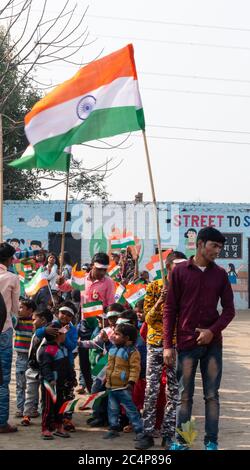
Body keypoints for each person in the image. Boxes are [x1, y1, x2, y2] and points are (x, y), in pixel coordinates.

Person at [163, 227, 235, 451]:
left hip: (212, 346)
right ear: (201, 244)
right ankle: (184, 441)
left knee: (211, 396)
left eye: (220, 247)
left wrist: (212, 331)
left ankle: (211, 442)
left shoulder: (220, 274)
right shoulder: (180, 271)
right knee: (185, 397)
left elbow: (229, 310)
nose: (218, 251)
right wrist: (167, 345)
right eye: (214, 246)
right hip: (185, 343)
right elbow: (170, 309)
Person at [136, 250, 187, 450]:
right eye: (178, 266)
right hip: (155, 343)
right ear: (168, 268)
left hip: (176, 345)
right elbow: (148, 318)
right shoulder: (154, 287)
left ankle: (168, 434)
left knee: (174, 392)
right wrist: (161, 301)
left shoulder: (186, 289)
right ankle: (147, 433)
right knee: (152, 389)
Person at [103, 323, 144, 441]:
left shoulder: (132, 352)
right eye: (114, 333)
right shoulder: (112, 349)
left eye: (117, 334)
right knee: (112, 409)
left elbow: (135, 368)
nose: (114, 336)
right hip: (111, 386)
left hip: (124, 387)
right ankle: (113, 429)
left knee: (131, 410)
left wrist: (131, 382)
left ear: (127, 338)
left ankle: (139, 431)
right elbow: (110, 366)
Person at [38, 326, 74, 439]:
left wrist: (72, 378)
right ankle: (45, 429)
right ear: (57, 336)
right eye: (63, 333)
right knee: (48, 407)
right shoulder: (48, 349)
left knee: (60, 407)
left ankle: (59, 427)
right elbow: (45, 367)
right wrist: (50, 379)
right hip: (50, 385)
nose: (65, 335)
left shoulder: (62, 349)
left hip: (61, 384)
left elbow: (68, 366)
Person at [21, 309, 53, 427]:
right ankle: (27, 415)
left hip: (45, 370)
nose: (32, 322)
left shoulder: (51, 333)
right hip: (33, 368)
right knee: (30, 393)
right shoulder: (37, 332)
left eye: (34, 319)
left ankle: (46, 415)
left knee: (46, 396)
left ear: (43, 320)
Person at [0, 242, 20, 433]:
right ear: (9, 259)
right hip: (4, 329)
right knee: (3, 378)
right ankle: (1, 422)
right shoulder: (12, 278)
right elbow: (15, 309)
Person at [13, 299, 37, 418]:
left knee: (33, 385)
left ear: (30, 311)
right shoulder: (17, 321)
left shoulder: (35, 323)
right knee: (20, 384)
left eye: (22, 307)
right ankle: (20, 408)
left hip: (33, 358)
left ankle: (32, 409)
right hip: (21, 358)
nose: (19, 309)